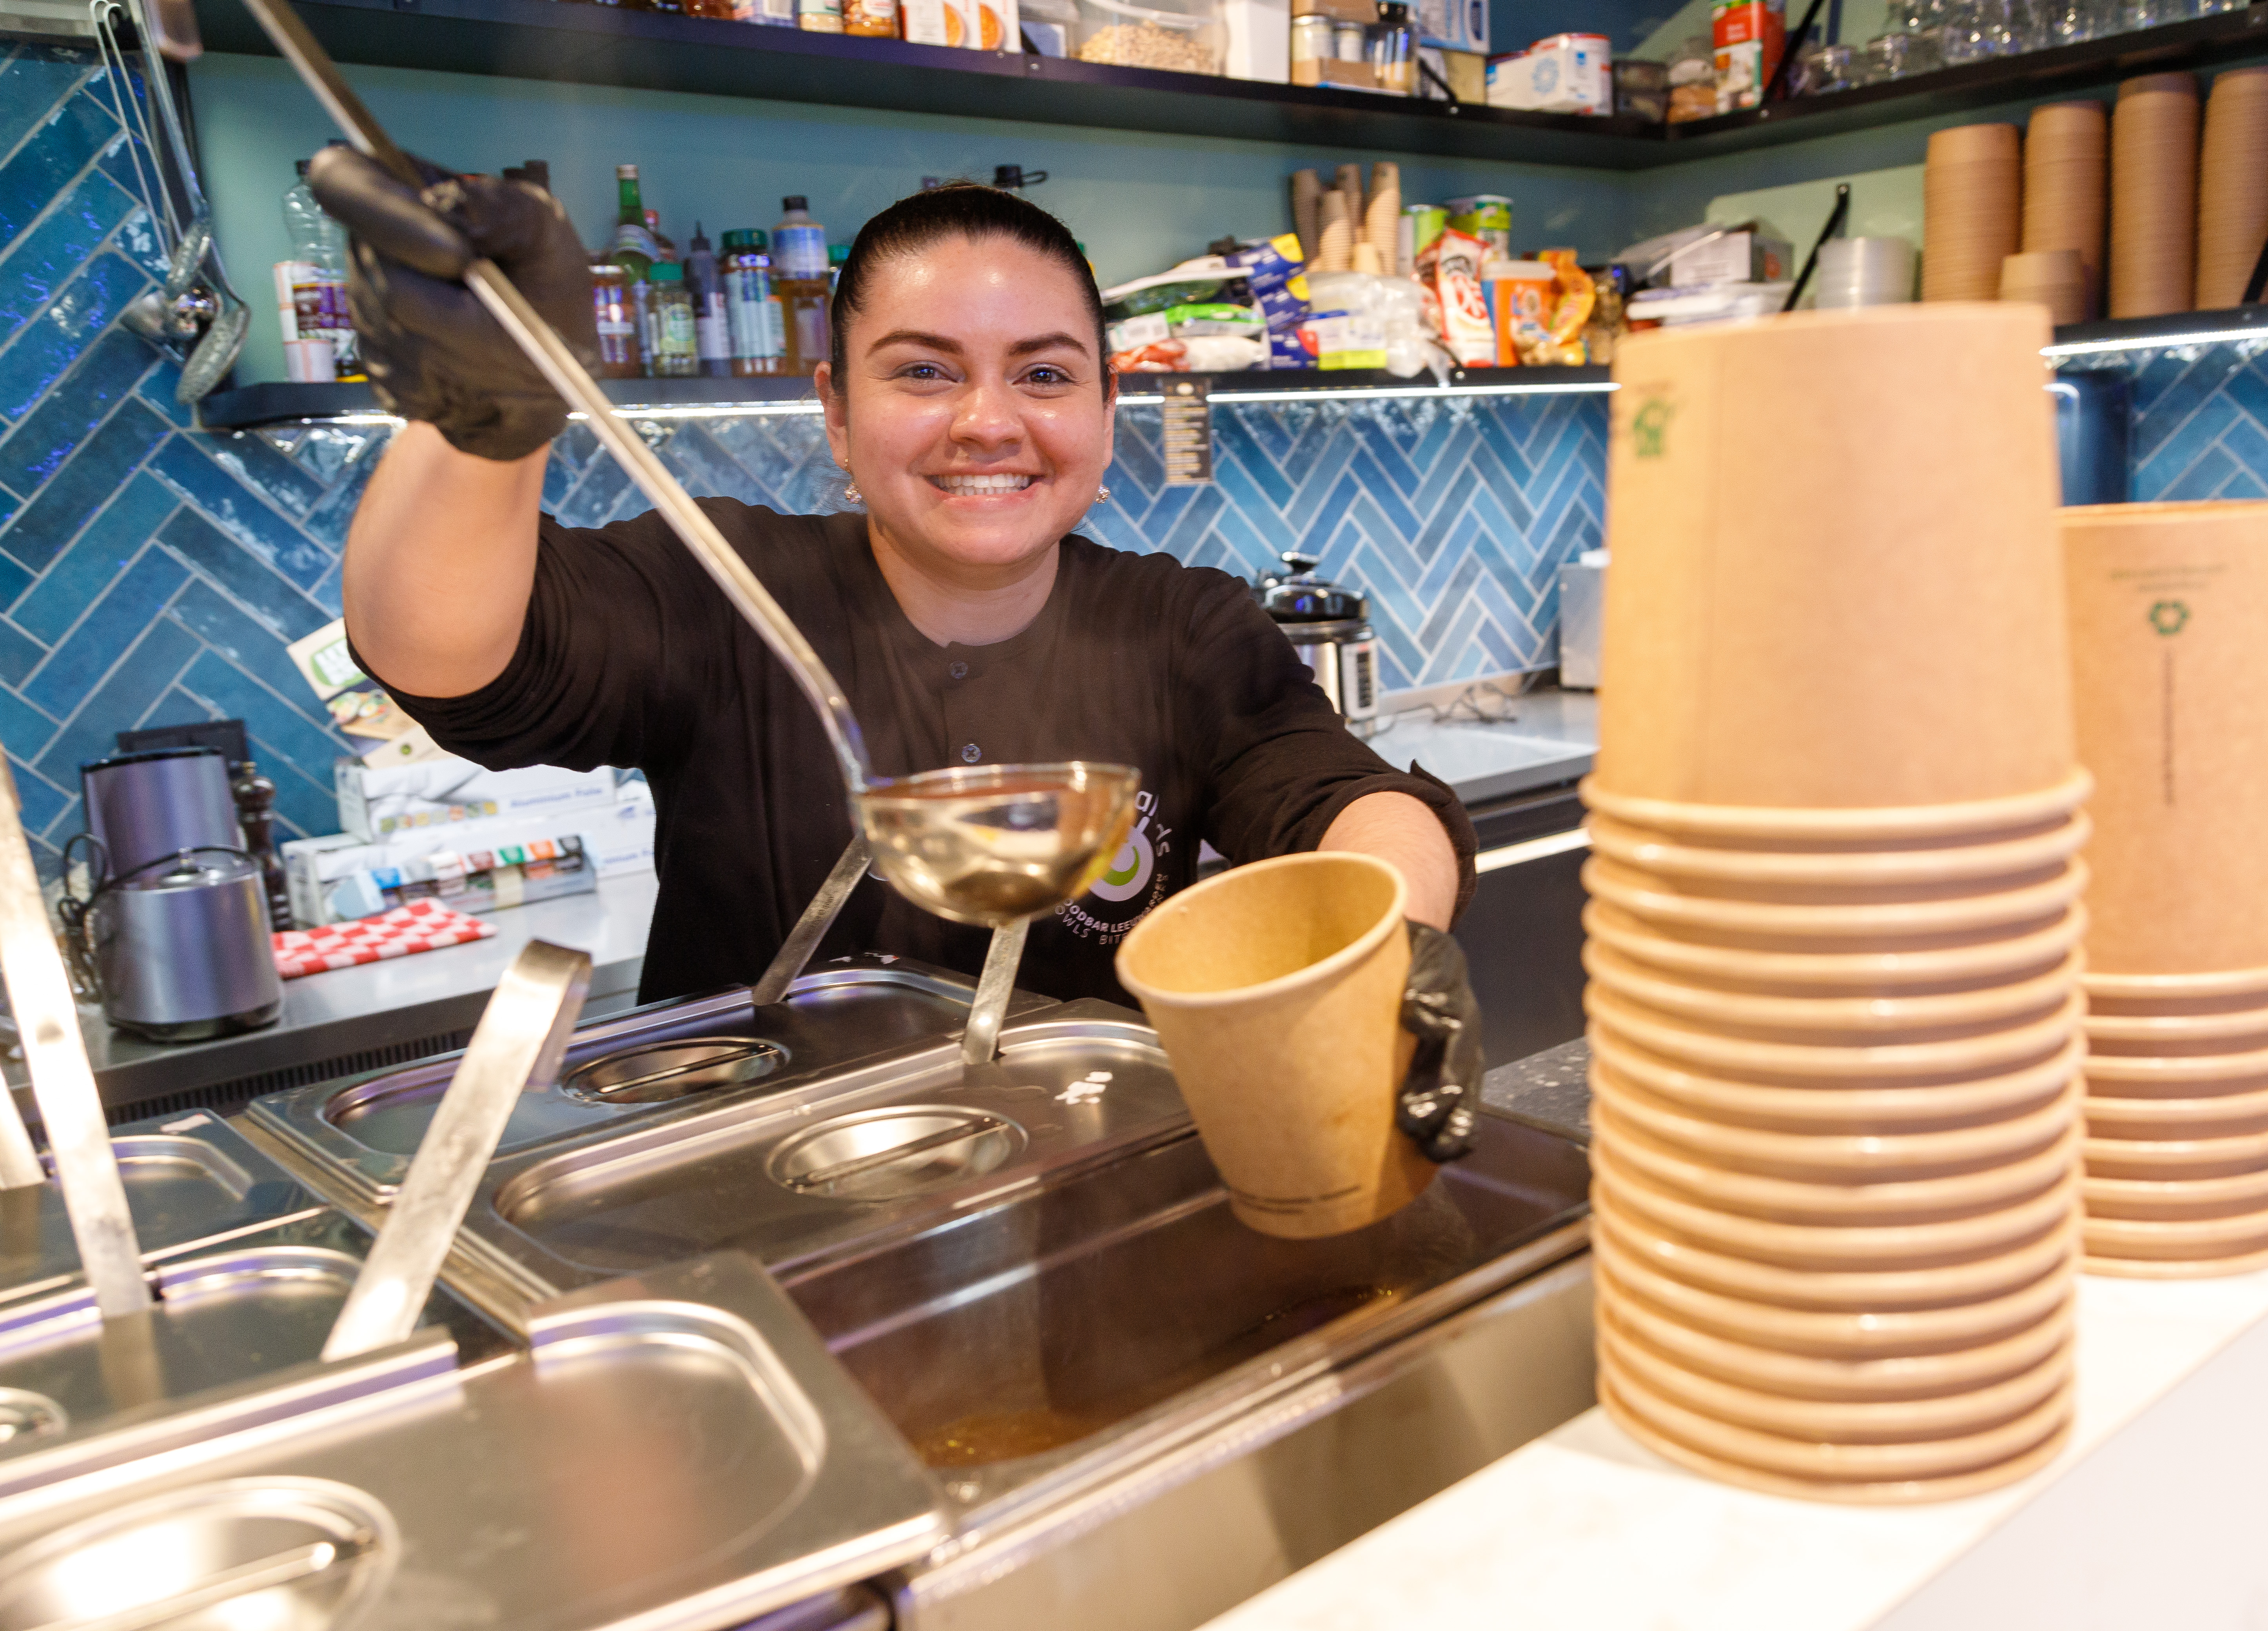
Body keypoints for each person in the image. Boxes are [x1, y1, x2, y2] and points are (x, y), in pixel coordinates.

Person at [313, 157, 1482, 1155]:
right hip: (755, 1197)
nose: (988, 421)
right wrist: (479, 422)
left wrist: (1394, 947)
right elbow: (442, 653)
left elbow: (1353, 803)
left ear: (1106, 404)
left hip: (1087, 1181)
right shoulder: (729, 587)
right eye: (924, 371)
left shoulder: (1182, 626)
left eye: (1045, 373)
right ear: (835, 407)